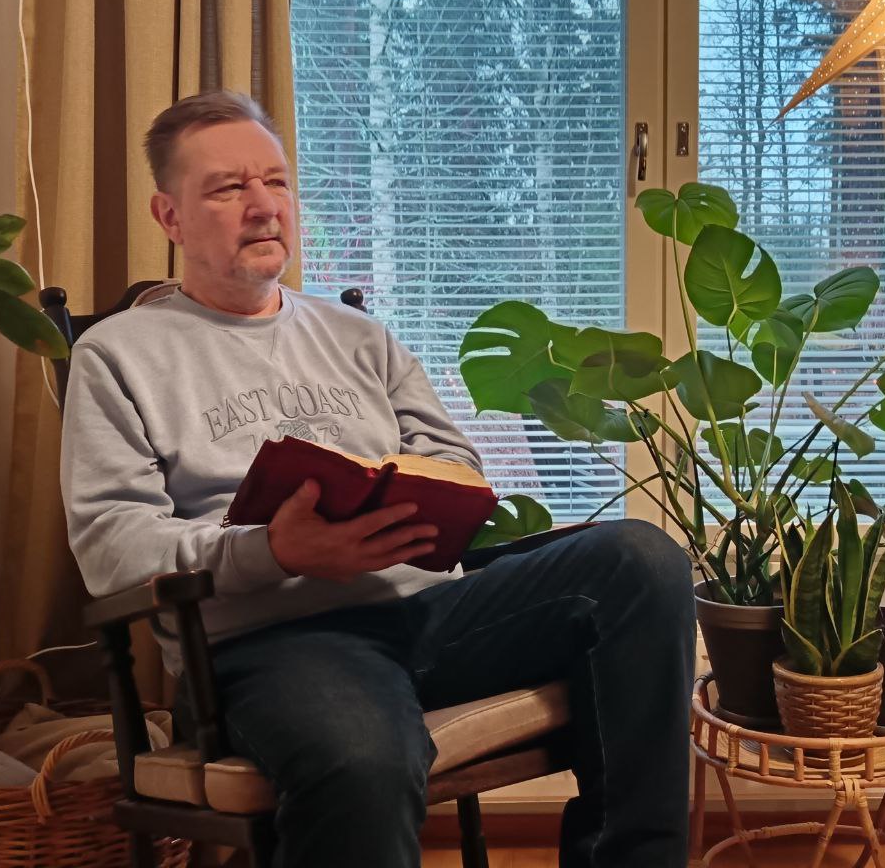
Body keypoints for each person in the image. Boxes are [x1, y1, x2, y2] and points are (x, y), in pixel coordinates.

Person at [59, 90, 695, 868]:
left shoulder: (357, 335)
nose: (263, 206)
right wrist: (274, 551)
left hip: (432, 614)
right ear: (170, 217)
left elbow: (452, 460)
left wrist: (419, 495)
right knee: (363, 757)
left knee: (640, 560)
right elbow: (113, 548)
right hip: (272, 643)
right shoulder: (118, 354)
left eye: (276, 181)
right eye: (228, 188)